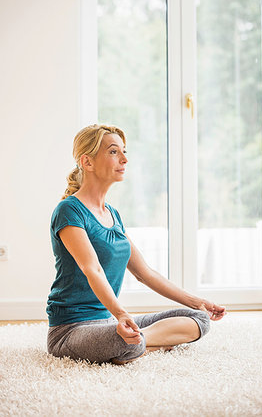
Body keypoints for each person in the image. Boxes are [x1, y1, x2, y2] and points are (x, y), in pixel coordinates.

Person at [46, 123, 227, 366]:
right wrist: (121, 314)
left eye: (124, 151)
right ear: (87, 162)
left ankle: (139, 343)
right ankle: (139, 344)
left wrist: (198, 302)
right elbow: (92, 269)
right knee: (125, 340)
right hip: (71, 330)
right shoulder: (69, 210)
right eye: (113, 152)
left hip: (109, 324)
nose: (124, 159)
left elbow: (145, 273)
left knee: (198, 319)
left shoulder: (113, 214)